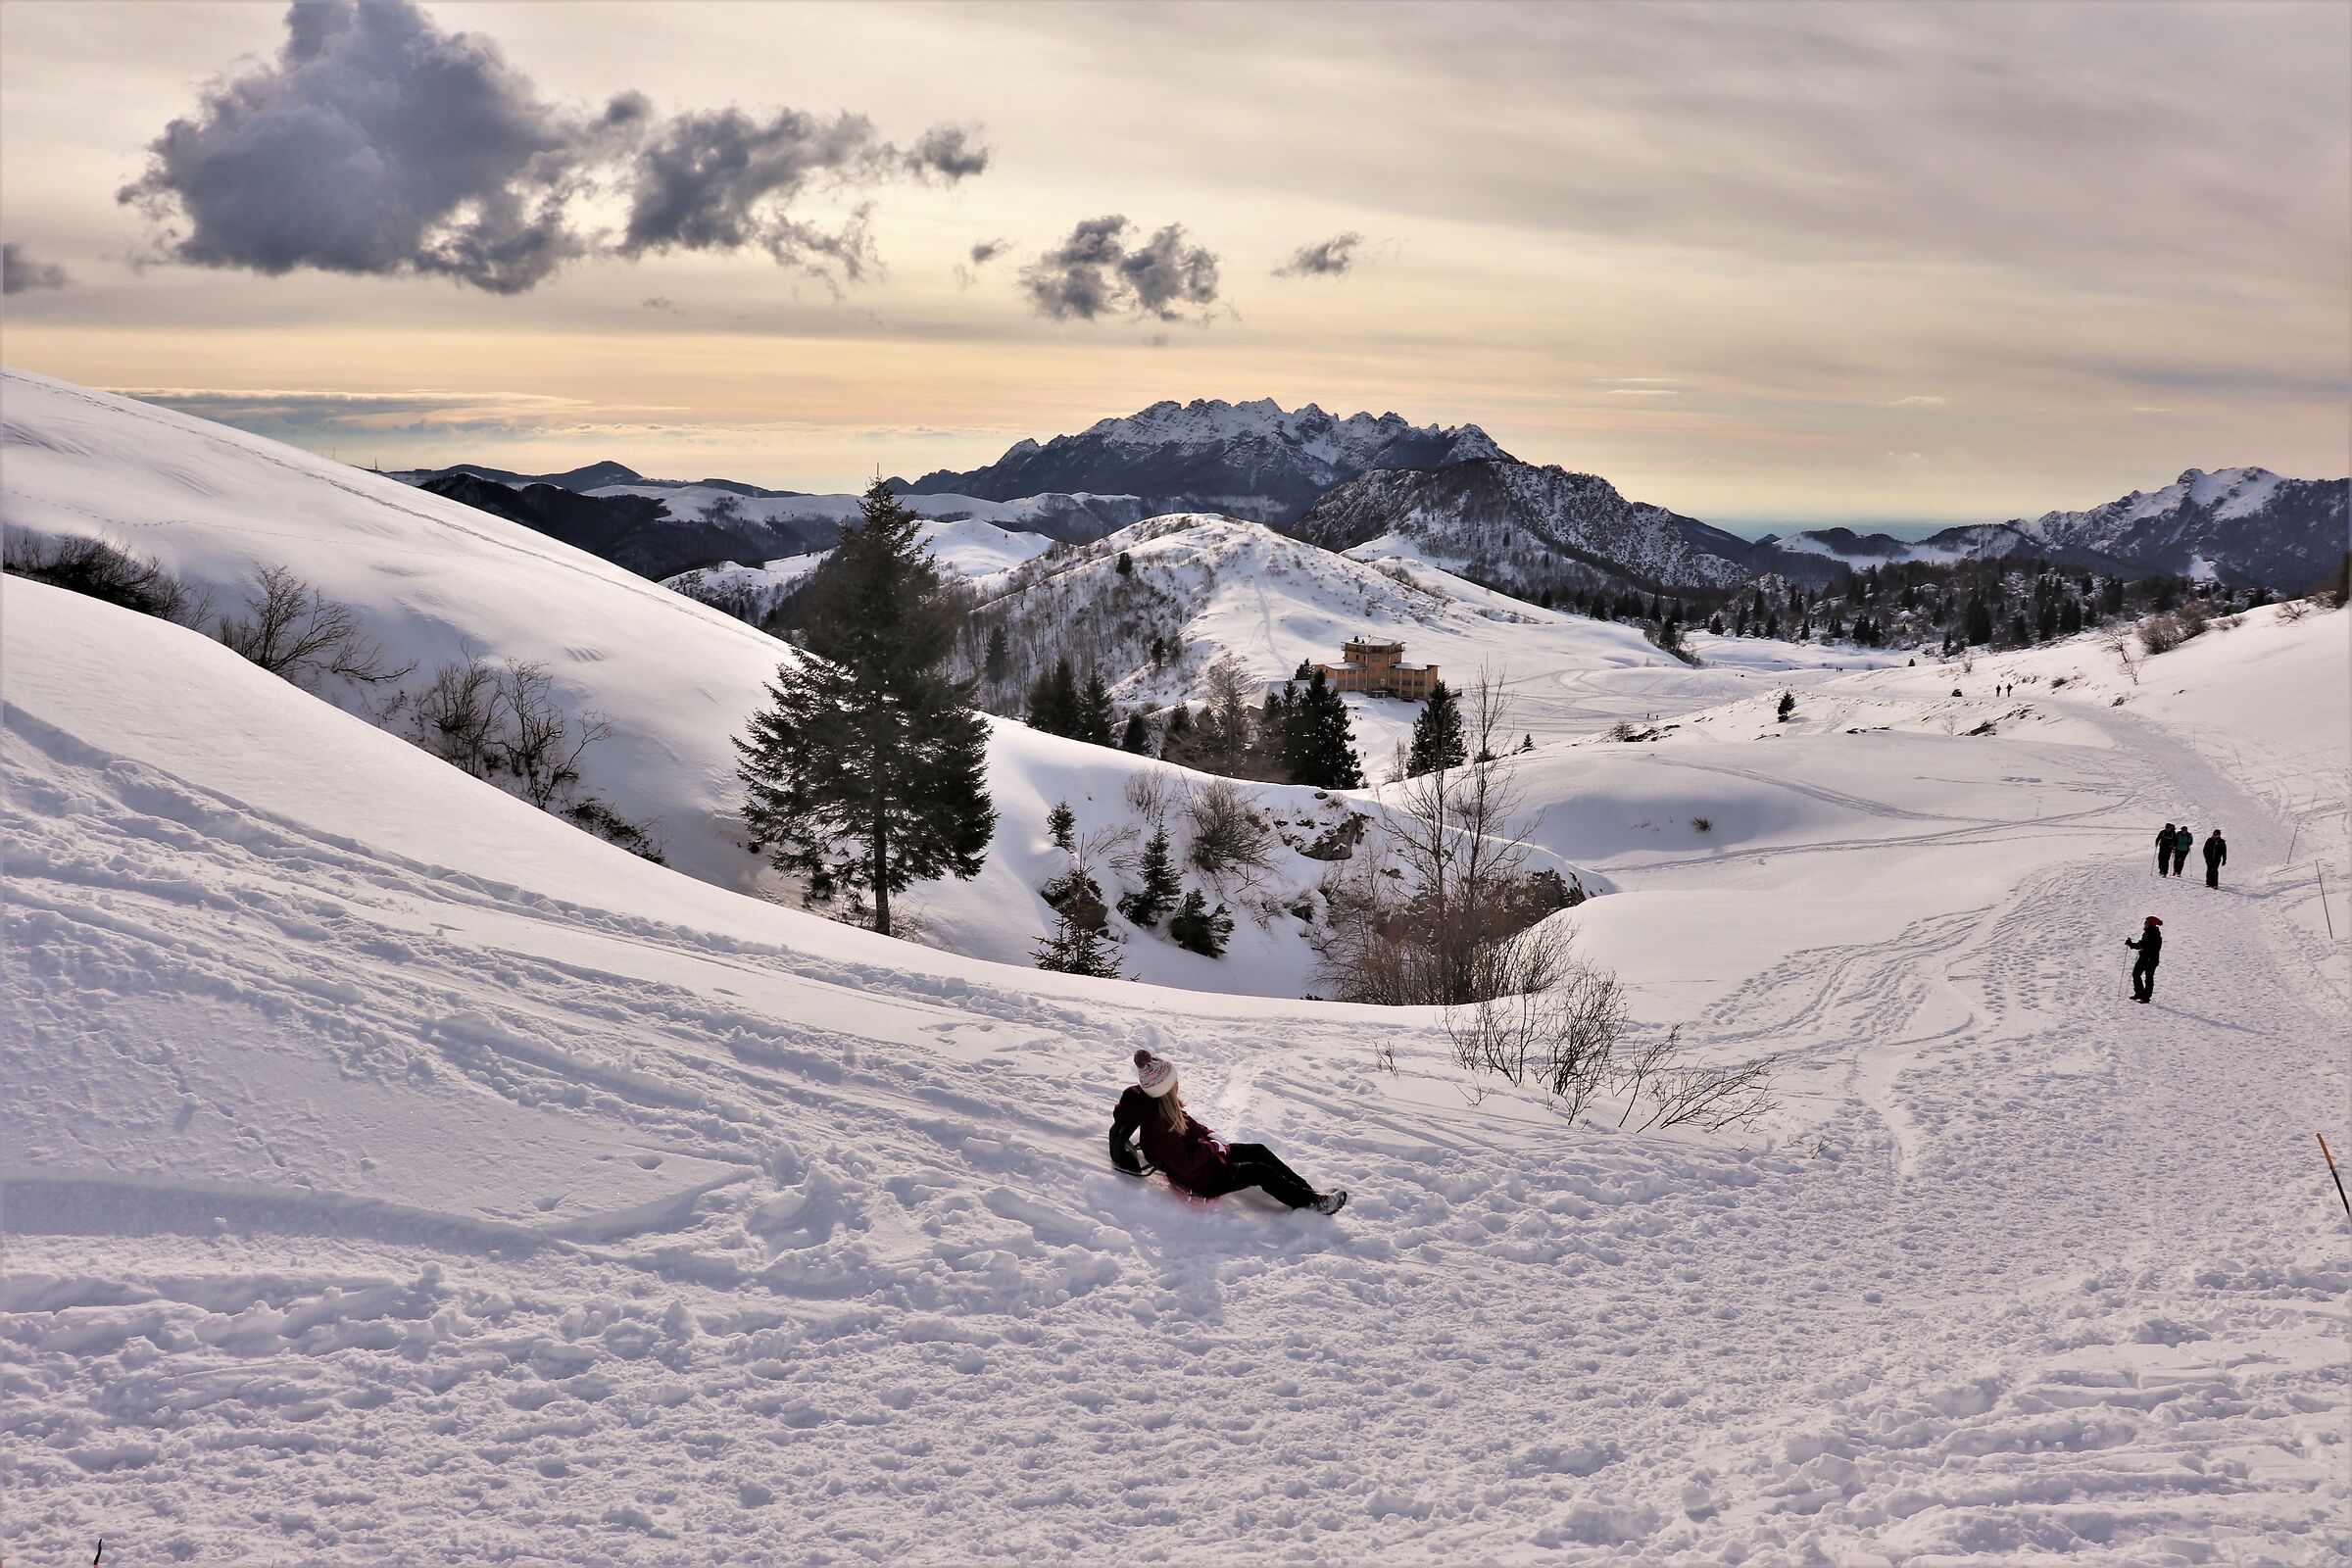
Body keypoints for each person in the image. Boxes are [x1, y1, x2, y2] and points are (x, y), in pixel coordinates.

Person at [1108, 1049, 1347, 1214]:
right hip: (1200, 1179)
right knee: (1258, 1171)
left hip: (1204, 1159)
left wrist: (1208, 1134)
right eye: (1175, 1083)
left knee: (1258, 1151)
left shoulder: (1161, 1105)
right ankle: (1311, 1204)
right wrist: (1211, 1147)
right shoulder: (1161, 1124)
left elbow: (1188, 1124)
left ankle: (1307, 1191)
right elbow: (1183, 1165)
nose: (1179, 1085)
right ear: (1167, 1089)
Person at [2124, 914, 2163, 1003]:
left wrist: (2132, 945)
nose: (2144, 924)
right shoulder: (2147, 933)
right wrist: (2132, 944)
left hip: (2151, 959)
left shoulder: (2154, 935)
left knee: (2148, 978)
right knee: (2136, 974)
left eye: (2146, 923)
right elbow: (2142, 944)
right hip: (2144, 958)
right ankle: (2139, 994)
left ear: (2150, 924)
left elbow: (2144, 945)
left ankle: (2146, 997)